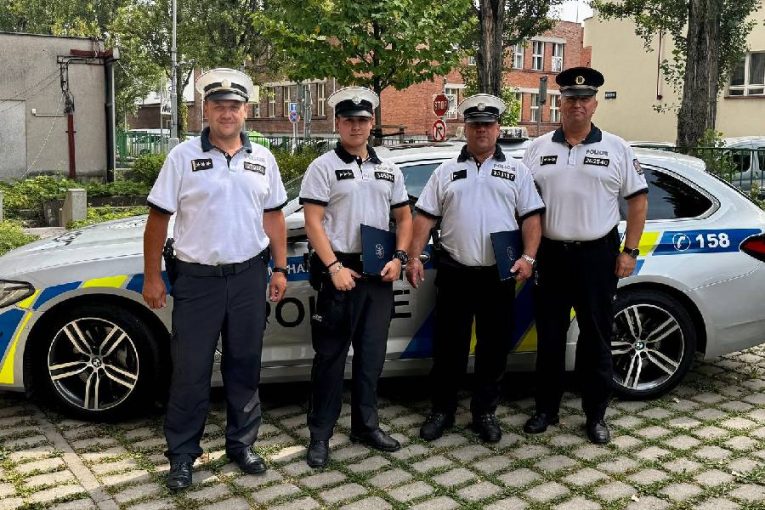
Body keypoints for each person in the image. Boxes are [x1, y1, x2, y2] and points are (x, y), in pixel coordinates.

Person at [142, 68, 289, 490]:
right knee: (190, 371)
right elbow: (158, 219)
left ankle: (241, 445)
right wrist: (152, 277)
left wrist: (279, 268)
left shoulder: (263, 159)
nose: (227, 114)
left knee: (245, 365)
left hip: (248, 277)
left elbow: (274, 217)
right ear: (205, 110)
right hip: (197, 281)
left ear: (246, 112)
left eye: (234, 107)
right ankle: (182, 455)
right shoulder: (182, 156)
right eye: (219, 106)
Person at [407, 94, 544, 443]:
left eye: (488, 124)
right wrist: (414, 257)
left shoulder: (517, 171)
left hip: (499, 274)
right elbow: (424, 217)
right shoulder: (445, 172)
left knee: (493, 348)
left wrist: (529, 257)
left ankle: (484, 412)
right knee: (448, 348)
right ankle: (442, 410)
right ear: (465, 129)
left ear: (498, 129)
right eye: (475, 125)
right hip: (455, 271)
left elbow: (531, 217)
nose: (482, 130)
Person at [522, 66, 648, 444]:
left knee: (596, 338)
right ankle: (546, 409)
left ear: (595, 104)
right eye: (571, 98)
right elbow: (522, 203)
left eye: (585, 98)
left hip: (598, 256)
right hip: (551, 256)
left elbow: (638, 202)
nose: (577, 104)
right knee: (549, 337)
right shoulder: (537, 149)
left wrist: (630, 251)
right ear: (560, 103)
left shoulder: (617, 148)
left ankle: (595, 415)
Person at [299, 86, 412, 468]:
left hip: (378, 273)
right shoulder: (323, 167)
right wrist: (333, 267)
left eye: (362, 120)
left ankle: (366, 426)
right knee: (330, 358)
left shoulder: (389, 168)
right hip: (338, 271)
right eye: (349, 120)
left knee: (371, 357)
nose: (356, 126)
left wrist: (400, 258)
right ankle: (320, 435)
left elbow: (404, 218)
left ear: (371, 123)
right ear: (338, 123)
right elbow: (313, 222)